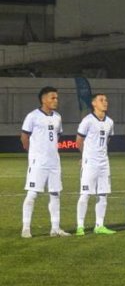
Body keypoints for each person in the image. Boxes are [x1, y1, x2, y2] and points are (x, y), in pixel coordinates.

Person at [21, 86, 69, 238]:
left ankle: (55, 228)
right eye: (52, 98)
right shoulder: (32, 116)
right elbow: (24, 137)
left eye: (56, 98)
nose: (56, 100)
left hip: (54, 161)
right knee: (32, 193)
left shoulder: (58, 117)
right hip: (38, 162)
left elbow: (57, 136)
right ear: (43, 99)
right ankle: (26, 228)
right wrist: (33, 154)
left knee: (55, 194)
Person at [74, 93, 117, 236]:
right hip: (90, 163)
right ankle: (80, 226)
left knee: (103, 194)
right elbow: (79, 140)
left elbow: (107, 141)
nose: (105, 102)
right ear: (94, 103)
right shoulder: (87, 121)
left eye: (106, 100)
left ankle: (99, 225)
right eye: (101, 100)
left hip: (104, 163)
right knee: (85, 194)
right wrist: (84, 156)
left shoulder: (110, 122)